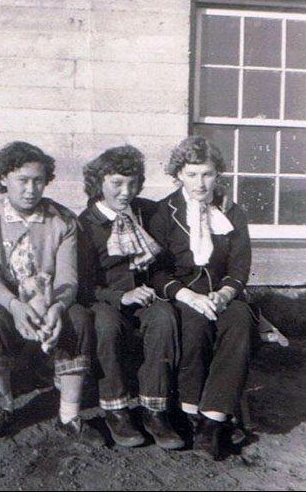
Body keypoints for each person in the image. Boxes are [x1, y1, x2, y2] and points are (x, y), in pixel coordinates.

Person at [0, 141, 104, 447]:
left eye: (39, 181)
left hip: (52, 298)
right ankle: (2, 406)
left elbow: (68, 278)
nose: (31, 189)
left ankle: (69, 415)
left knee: (79, 317)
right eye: (23, 180)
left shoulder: (63, 220)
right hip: (7, 299)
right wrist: (15, 306)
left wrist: (57, 308)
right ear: (4, 179)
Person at [149, 136, 258, 460]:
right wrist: (188, 296)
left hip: (221, 296)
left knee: (239, 320)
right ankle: (190, 414)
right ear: (179, 174)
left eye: (207, 174)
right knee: (195, 327)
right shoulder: (163, 213)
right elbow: (155, 271)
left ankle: (212, 423)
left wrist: (224, 295)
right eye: (192, 174)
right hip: (182, 297)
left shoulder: (232, 212)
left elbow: (240, 267)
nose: (200, 182)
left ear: (218, 175)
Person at [77, 146, 183, 449]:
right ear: (99, 183)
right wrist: (120, 296)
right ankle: (116, 410)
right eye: (117, 184)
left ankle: (154, 411)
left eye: (133, 184)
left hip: (146, 297)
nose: (126, 192)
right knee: (107, 326)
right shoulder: (86, 224)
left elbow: (181, 207)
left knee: (164, 317)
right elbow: (83, 285)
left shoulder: (146, 212)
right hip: (104, 300)